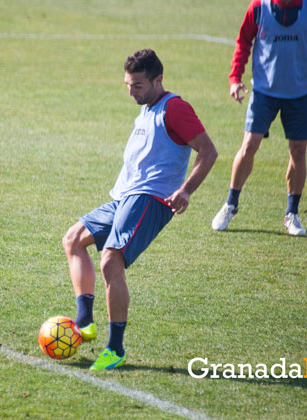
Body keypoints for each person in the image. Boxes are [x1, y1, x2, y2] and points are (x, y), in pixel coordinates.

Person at [62, 49, 217, 371]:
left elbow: (208, 151)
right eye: (128, 85)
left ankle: (115, 349)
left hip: (151, 198)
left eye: (138, 86)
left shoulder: (175, 108)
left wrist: (186, 190)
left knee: (110, 260)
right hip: (125, 196)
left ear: (158, 80)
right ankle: (85, 321)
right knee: (73, 239)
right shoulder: (146, 109)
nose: (131, 92)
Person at [212, 0, 307, 235]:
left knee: (299, 151)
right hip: (264, 92)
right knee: (249, 145)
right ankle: (230, 204)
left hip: (300, 94)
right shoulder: (258, 8)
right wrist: (235, 77)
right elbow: (243, 42)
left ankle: (291, 214)